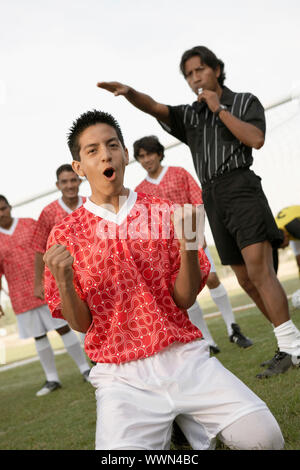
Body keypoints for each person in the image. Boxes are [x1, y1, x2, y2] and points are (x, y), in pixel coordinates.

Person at [43, 110, 284, 450]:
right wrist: (64, 281)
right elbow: (82, 324)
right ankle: (184, 433)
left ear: (125, 154)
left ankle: (186, 427)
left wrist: (188, 247)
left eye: (112, 145)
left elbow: (184, 299)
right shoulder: (66, 234)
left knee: (266, 439)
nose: (106, 155)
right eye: (92, 150)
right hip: (121, 376)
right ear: (79, 167)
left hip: (184, 357)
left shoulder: (162, 211)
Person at [97, 45, 300, 378]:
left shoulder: (244, 101)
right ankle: (288, 344)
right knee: (246, 279)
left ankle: (292, 347)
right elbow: (154, 107)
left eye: (199, 71)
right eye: (189, 75)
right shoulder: (190, 115)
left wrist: (219, 109)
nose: (195, 79)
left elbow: (256, 139)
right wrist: (130, 93)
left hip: (241, 187)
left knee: (259, 271)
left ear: (216, 70)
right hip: (214, 196)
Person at [133, 135, 252, 353]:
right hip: (166, 250)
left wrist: (197, 232)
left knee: (212, 278)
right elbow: (144, 225)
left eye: (149, 153)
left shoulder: (179, 173)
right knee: (185, 292)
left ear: (159, 153)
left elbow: (198, 200)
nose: (146, 159)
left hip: (192, 238)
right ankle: (206, 340)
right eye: (141, 156)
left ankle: (232, 328)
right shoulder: (139, 190)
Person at [0, 195, 91, 397]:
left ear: (10, 207)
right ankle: (52, 379)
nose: (2, 213)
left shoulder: (30, 224)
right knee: (38, 336)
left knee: (63, 328)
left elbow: (48, 247)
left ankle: (85, 369)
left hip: (46, 288)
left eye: (3, 208)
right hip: (20, 296)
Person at [33, 164, 86, 301]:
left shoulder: (90, 204)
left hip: (94, 273)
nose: (69, 185)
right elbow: (40, 248)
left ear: (79, 181)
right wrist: (39, 282)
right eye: (64, 182)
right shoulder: (48, 212)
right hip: (66, 278)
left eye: (73, 180)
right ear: (58, 185)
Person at [275, 205, 300, 277]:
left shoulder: (295, 228)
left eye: (281, 246)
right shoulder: (274, 232)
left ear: (285, 237)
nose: (283, 248)